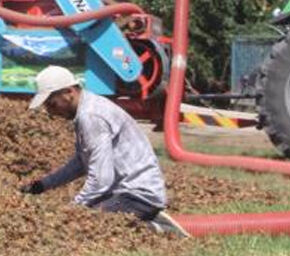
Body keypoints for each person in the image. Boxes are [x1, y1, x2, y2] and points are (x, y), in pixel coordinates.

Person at [18, 65, 191, 238]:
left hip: (137, 196)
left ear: (69, 92)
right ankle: (145, 221)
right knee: (81, 218)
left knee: (78, 227)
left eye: (52, 104)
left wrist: (71, 211)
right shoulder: (87, 109)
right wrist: (43, 185)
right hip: (124, 193)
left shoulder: (90, 116)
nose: (50, 111)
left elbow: (101, 180)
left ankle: (151, 228)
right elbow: (80, 163)